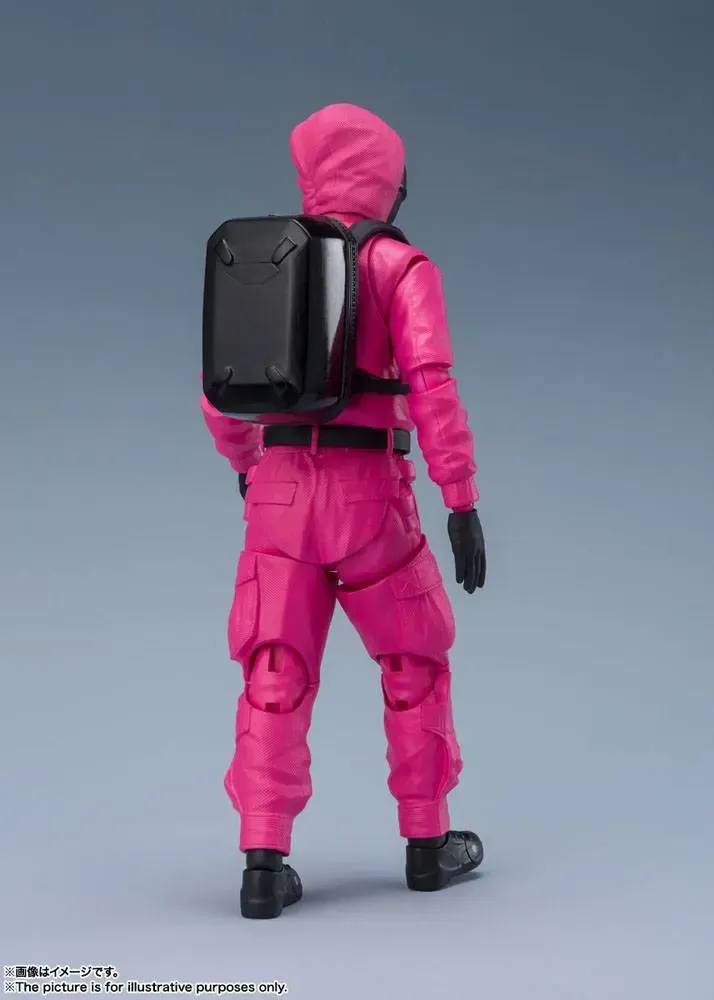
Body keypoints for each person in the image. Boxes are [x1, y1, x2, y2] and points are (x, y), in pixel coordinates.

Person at [201, 103, 487, 919]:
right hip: (372, 500)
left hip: (280, 495)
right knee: (413, 663)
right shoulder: (401, 266)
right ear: (388, 180)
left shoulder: (265, 258)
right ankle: (427, 842)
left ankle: (263, 862)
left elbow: (219, 393)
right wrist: (460, 499)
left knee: (274, 672)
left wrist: (249, 465)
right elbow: (431, 386)